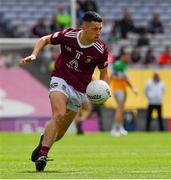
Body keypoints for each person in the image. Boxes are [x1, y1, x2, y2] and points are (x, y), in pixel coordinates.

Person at [19, 11, 109, 172]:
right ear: (85, 27)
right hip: (60, 79)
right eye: (95, 29)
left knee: (59, 135)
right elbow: (45, 39)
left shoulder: (100, 49)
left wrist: (105, 90)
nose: (99, 33)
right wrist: (34, 54)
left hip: (80, 90)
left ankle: (42, 142)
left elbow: (104, 73)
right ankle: (43, 156)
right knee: (58, 114)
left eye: (100, 29)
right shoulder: (69, 35)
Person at [110, 49, 138, 136]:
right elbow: (114, 76)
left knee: (121, 109)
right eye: (126, 56)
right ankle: (114, 129)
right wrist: (133, 87)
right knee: (119, 108)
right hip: (118, 89)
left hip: (122, 89)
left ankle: (120, 127)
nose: (128, 57)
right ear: (123, 56)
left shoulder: (124, 65)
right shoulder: (118, 64)